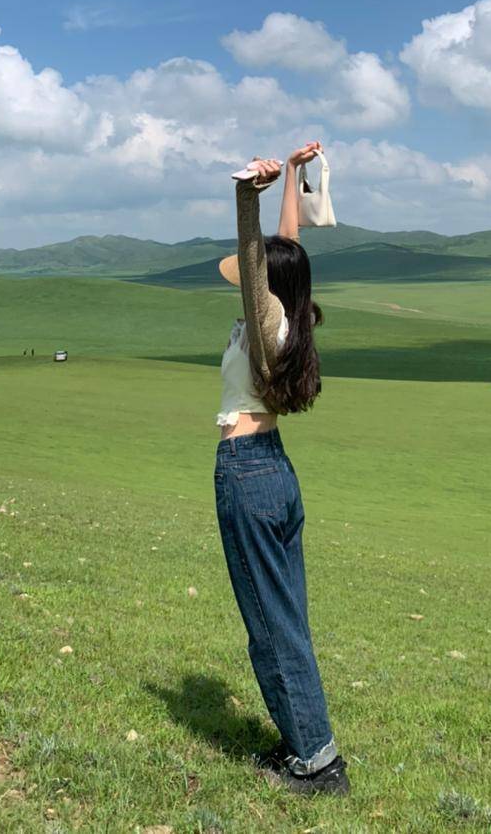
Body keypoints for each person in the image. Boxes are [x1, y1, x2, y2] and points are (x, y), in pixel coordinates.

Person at [213, 141, 350, 798]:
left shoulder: (267, 318)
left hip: (247, 472)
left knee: (271, 626)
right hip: (275, 475)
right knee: (286, 617)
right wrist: (293, 175)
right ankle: (305, 742)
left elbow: (254, 254)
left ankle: (317, 764)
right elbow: (285, 249)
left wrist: (248, 196)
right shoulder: (291, 318)